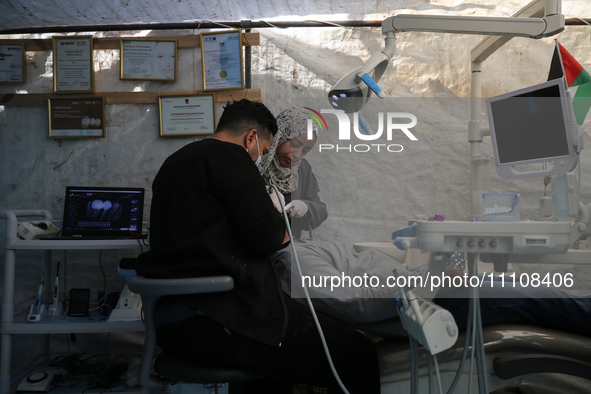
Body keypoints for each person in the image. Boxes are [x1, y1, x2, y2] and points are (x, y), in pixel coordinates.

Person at [136, 99, 380, 393]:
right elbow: (269, 238)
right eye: (263, 151)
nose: (260, 159)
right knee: (357, 353)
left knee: (273, 369)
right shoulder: (232, 159)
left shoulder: (174, 163)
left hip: (169, 319)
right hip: (213, 321)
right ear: (251, 137)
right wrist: (277, 220)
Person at [260, 107, 328, 238]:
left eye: (305, 150)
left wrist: (306, 207)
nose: (297, 154)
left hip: (289, 247)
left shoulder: (302, 169)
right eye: (295, 144)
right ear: (280, 135)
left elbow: (320, 208)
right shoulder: (259, 160)